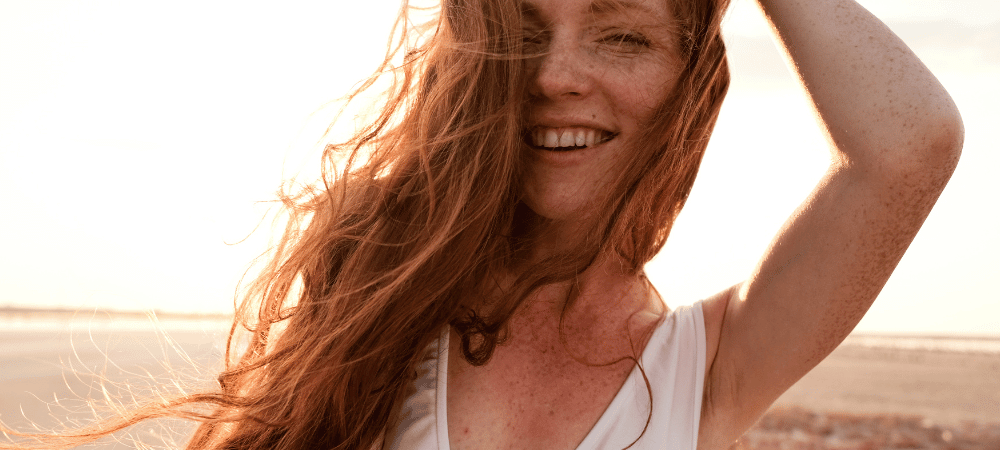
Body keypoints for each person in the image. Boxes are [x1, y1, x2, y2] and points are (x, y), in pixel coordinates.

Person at [4, 0, 962, 449]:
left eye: (619, 33)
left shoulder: (704, 372)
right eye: (526, 33)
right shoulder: (380, 278)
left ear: (690, 86)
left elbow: (911, 145)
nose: (554, 75)